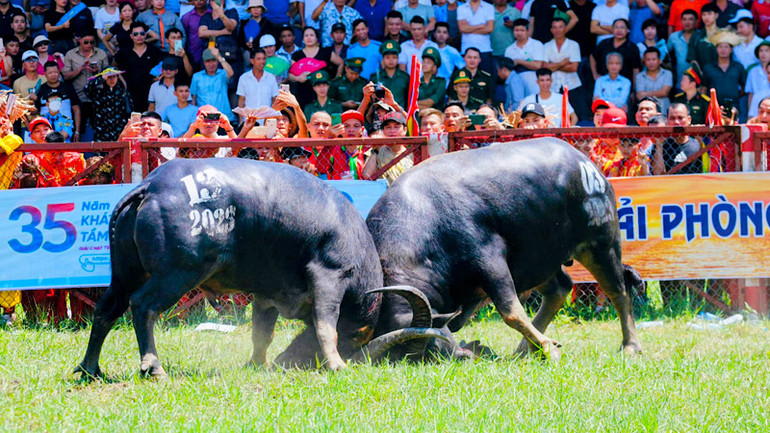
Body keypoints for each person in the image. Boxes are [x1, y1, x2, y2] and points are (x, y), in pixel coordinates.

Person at [113, 22, 165, 112]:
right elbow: (114, 66)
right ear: (131, 36)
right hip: (130, 91)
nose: (139, 36)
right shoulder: (124, 51)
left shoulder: (153, 50)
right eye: (136, 34)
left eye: (142, 33)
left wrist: (160, 76)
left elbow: (164, 64)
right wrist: (123, 82)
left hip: (150, 92)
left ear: (145, 35)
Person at [289, 27, 342, 107]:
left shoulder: (325, 52)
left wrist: (336, 80)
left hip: (324, 93)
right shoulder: (297, 55)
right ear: (302, 39)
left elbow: (341, 63)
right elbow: (290, 75)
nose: (309, 38)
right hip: (304, 93)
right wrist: (298, 78)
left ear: (317, 38)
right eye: (306, 35)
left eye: (312, 35)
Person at [362, 111, 413, 185]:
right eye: (388, 127)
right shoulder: (375, 151)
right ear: (383, 130)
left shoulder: (412, 153)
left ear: (405, 130)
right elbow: (367, 175)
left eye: (396, 127)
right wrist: (376, 149)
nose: (392, 131)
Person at [84, 67, 133, 142]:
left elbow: (130, 110)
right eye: (109, 77)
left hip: (119, 130)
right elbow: (87, 89)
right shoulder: (98, 93)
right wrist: (101, 78)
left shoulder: (123, 93)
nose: (112, 79)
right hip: (102, 131)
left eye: (114, 76)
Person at [652, 102, 702, 175]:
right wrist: (659, 146)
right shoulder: (661, 145)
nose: (676, 122)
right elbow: (658, 174)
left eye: (680, 118)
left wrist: (701, 143)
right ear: (667, 121)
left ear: (689, 119)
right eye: (672, 118)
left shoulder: (697, 143)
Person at [703, 30, 746, 108]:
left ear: (731, 50)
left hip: (733, 105)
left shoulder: (738, 67)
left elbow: (744, 86)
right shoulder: (708, 68)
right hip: (713, 106)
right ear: (716, 49)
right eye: (720, 47)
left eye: (726, 47)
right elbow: (704, 88)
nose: (723, 50)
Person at [190, 47, 235, 121]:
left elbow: (231, 73)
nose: (211, 64)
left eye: (213, 60)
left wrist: (219, 57)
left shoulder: (223, 74)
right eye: (208, 61)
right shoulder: (197, 77)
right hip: (205, 118)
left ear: (217, 61)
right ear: (204, 63)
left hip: (223, 117)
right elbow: (193, 99)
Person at [590, 18, 640, 84]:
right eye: (616, 27)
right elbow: (592, 57)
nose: (619, 30)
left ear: (627, 30)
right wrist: (595, 74)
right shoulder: (604, 43)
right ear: (612, 29)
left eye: (622, 27)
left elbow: (635, 69)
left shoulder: (633, 48)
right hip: (603, 83)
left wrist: (635, 87)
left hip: (624, 85)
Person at [37, 61, 81, 134]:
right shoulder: (41, 89)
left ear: (59, 72)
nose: (53, 75)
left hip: (66, 129)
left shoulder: (67, 88)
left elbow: (76, 109)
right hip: (46, 131)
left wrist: (77, 131)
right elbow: (36, 110)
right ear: (45, 74)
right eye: (50, 73)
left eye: (55, 72)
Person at [503, 18, 544, 96]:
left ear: (527, 31)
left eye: (522, 30)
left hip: (533, 82)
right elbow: (507, 72)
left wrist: (519, 61)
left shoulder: (537, 44)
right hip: (515, 84)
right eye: (516, 30)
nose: (519, 33)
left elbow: (538, 65)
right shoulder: (509, 50)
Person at [543, 17, 581, 98]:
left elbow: (573, 68)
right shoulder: (546, 46)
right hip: (553, 86)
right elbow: (545, 67)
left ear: (566, 28)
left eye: (560, 27)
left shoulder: (573, 45)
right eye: (555, 27)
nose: (558, 30)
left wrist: (553, 65)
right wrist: (563, 63)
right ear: (551, 30)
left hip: (572, 85)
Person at [236, 47, 279, 117]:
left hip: (266, 119)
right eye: (259, 59)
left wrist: (274, 117)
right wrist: (241, 121)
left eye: (264, 59)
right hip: (249, 119)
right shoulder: (244, 78)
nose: (262, 61)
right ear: (252, 61)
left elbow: (275, 99)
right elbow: (241, 101)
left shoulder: (271, 78)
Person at [457, 0, 495, 75]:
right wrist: (480, 26)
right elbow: (462, 28)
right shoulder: (461, 8)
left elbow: (490, 28)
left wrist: (468, 28)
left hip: (484, 49)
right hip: (466, 49)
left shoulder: (489, 7)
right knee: (467, 76)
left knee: (485, 76)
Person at [370, 41, 410, 110]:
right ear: (383, 59)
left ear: (398, 59)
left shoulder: (405, 77)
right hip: (382, 114)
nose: (391, 60)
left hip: (400, 113)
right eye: (387, 57)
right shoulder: (375, 77)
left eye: (394, 57)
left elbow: (408, 99)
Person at [198, 0, 239, 67]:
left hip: (229, 54)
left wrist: (221, 14)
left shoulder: (231, 12)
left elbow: (231, 27)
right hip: (211, 54)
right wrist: (223, 32)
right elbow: (201, 33)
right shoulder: (206, 16)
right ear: (211, 2)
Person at [634, 47, 672, 114]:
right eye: (648, 60)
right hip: (646, 113)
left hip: (664, 111)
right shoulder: (640, 76)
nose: (651, 62)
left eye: (654, 59)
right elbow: (639, 96)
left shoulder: (667, 74)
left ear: (659, 61)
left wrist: (645, 94)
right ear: (644, 61)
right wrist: (659, 93)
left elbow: (664, 92)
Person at [666, 9, 698, 87]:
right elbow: (666, 56)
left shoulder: (701, 36)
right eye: (684, 19)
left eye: (690, 19)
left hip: (698, 83)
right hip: (680, 82)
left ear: (696, 21)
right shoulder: (674, 37)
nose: (687, 22)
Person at [686, 3, 718, 75]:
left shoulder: (724, 35)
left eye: (709, 14)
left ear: (716, 15)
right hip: (702, 75)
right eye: (704, 15)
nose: (706, 17)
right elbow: (692, 59)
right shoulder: (696, 36)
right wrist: (700, 74)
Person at [433, 21, 465, 86]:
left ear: (448, 35)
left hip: (446, 85)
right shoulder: (429, 48)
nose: (441, 35)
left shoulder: (452, 51)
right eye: (439, 32)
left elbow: (462, 67)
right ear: (434, 34)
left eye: (444, 32)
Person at [181, 0, 209, 67]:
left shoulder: (213, 15)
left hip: (210, 54)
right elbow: (184, 36)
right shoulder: (187, 17)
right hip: (193, 54)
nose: (199, 1)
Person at [747, 41, 770, 118]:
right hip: (756, 106)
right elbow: (750, 94)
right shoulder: (752, 71)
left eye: (766, 50)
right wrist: (750, 112)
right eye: (761, 51)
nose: (763, 53)